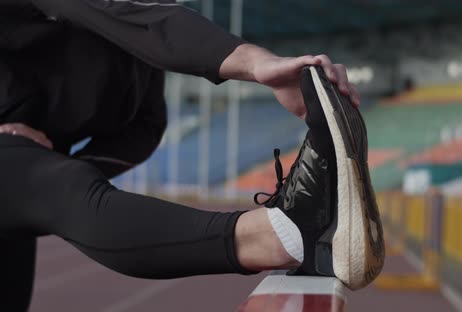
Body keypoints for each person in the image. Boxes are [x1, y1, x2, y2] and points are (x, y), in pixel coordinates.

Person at [0, 1, 385, 310]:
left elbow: (145, 127)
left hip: (27, 176)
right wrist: (254, 63)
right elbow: (131, 18)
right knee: (55, 182)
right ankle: (280, 235)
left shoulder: (133, 61)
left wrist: (72, 167)